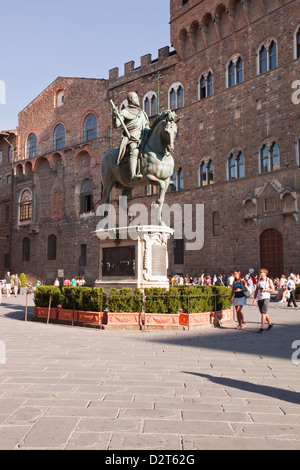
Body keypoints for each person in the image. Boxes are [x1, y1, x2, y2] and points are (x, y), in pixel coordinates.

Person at [112, 91, 150, 181]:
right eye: (136, 97)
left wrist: (149, 131)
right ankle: (133, 174)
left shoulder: (142, 113)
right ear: (130, 99)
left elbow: (147, 125)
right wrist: (114, 116)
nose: (138, 99)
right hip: (132, 138)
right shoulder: (125, 111)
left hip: (143, 137)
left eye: (137, 97)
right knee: (135, 151)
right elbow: (117, 124)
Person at [253, 268, 275, 333]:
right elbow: (256, 290)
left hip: (266, 297)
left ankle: (262, 328)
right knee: (263, 313)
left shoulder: (269, 280)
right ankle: (270, 324)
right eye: (260, 272)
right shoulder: (259, 280)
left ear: (265, 273)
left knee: (263, 313)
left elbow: (273, 290)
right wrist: (254, 299)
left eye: (261, 272)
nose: (260, 273)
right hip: (260, 298)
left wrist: (265, 290)